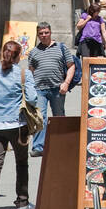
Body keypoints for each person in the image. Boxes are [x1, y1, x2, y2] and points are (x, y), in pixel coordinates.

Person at [0, 40, 38, 209]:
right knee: (21, 162)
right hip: (17, 124)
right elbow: (33, 98)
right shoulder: (23, 74)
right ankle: (22, 201)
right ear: (18, 56)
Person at [26, 23, 75, 158]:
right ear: (37, 35)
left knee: (59, 117)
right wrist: (29, 89)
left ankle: (61, 144)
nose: (44, 35)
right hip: (39, 90)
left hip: (57, 89)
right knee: (39, 118)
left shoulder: (61, 47)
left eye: (46, 32)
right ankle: (38, 147)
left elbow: (71, 66)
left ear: (50, 32)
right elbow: (31, 72)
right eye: (41, 33)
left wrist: (66, 83)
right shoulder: (34, 52)